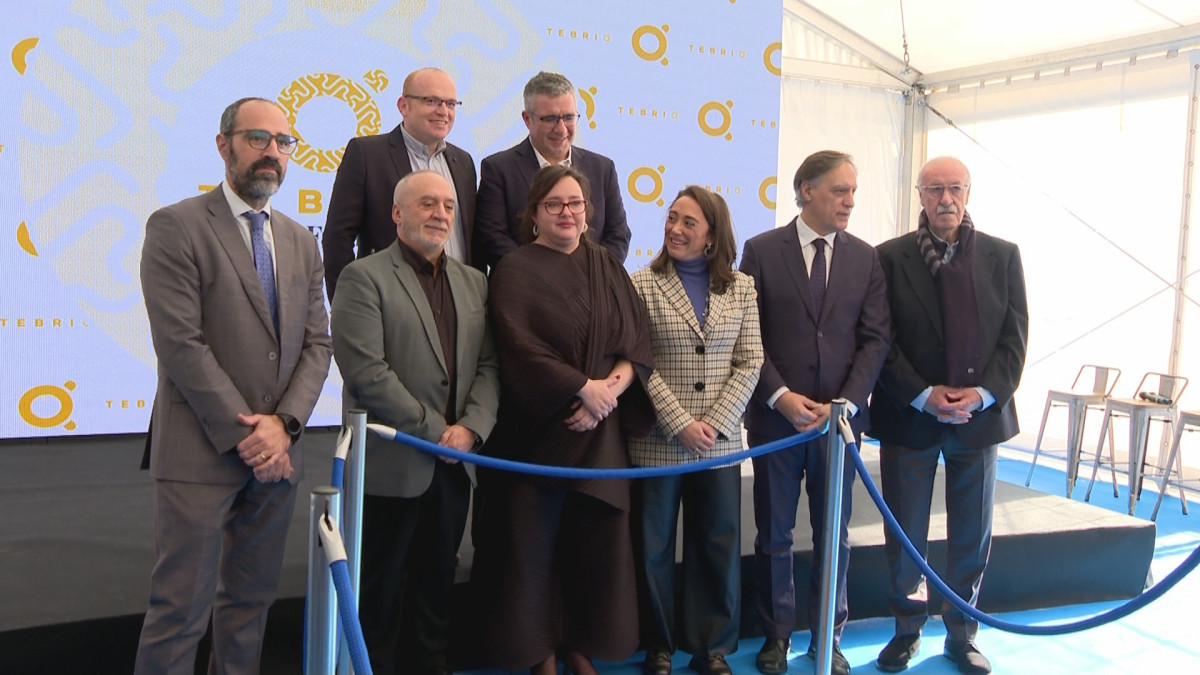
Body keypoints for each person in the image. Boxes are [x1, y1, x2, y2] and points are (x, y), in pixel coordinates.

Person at [134, 97, 333, 674]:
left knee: (249, 609)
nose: (273, 153)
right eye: (257, 139)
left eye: (283, 142)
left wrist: (285, 427)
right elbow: (181, 345)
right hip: (201, 450)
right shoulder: (177, 225)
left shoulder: (300, 239)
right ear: (224, 145)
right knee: (179, 614)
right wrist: (250, 434)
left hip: (278, 456)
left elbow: (318, 345)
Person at [472, 164, 655, 674]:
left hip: (602, 430)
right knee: (533, 550)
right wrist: (581, 389)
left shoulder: (608, 265)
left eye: (576, 203)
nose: (567, 213)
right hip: (539, 431)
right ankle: (540, 654)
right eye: (555, 204)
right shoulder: (513, 269)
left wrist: (607, 394)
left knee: (594, 547)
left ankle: (582, 644)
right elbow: (520, 350)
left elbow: (637, 343)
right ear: (534, 213)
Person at [329, 170, 501, 675]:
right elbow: (366, 371)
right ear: (397, 213)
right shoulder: (363, 277)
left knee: (436, 596)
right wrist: (436, 432)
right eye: (427, 204)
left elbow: (490, 366)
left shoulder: (474, 282)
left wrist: (470, 429)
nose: (440, 214)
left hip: (454, 467)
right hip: (393, 468)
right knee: (380, 597)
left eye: (448, 206)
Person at [869, 157, 1028, 675]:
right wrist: (921, 393)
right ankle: (906, 631)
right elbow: (880, 340)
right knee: (907, 535)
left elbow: (1014, 339)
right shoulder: (888, 258)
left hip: (979, 423)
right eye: (935, 189)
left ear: (968, 192)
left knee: (970, 537)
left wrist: (982, 395)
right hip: (910, 417)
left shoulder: (1003, 256)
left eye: (954, 188)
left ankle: (962, 635)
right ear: (919, 195)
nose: (945, 199)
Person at [739, 151, 891, 675]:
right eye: (839, 191)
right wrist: (779, 396)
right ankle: (776, 637)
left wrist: (844, 404)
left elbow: (875, 338)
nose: (850, 201)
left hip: (839, 427)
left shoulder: (866, 258)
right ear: (805, 190)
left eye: (853, 191)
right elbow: (747, 336)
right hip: (776, 423)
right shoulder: (759, 251)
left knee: (835, 535)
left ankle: (829, 635)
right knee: (774, 535)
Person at [629, 187, 764, 675]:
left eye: (689, 222)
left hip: (719, 444)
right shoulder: (640, 284)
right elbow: (638, 364)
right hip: (660, 442)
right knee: (653, 548)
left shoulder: (742, 288)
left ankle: (712, 648)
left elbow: (750, 362)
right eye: (671, 219)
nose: (675, 229)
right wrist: (680, 423)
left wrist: (716, 422)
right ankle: (659, 646)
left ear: (712, 236)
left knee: (718, 544)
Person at [322, 67, 478, 299]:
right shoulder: (367, 154)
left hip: (456, 301)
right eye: (432, 101)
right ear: (403, 106)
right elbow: (338, 238)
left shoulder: (463, 162)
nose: (443, 111)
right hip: (389, 303)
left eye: (451, 104)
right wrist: (347, 304)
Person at [473, 71, 630, 270]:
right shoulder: (499, 169)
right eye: (551, 119)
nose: (562, 129)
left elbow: (618, 235)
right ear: (527, 119)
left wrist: (591, 276)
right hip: (523, 291)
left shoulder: (602, 169)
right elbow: (492, 238)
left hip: (591, 293)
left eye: (569, 118)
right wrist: (546, 278)